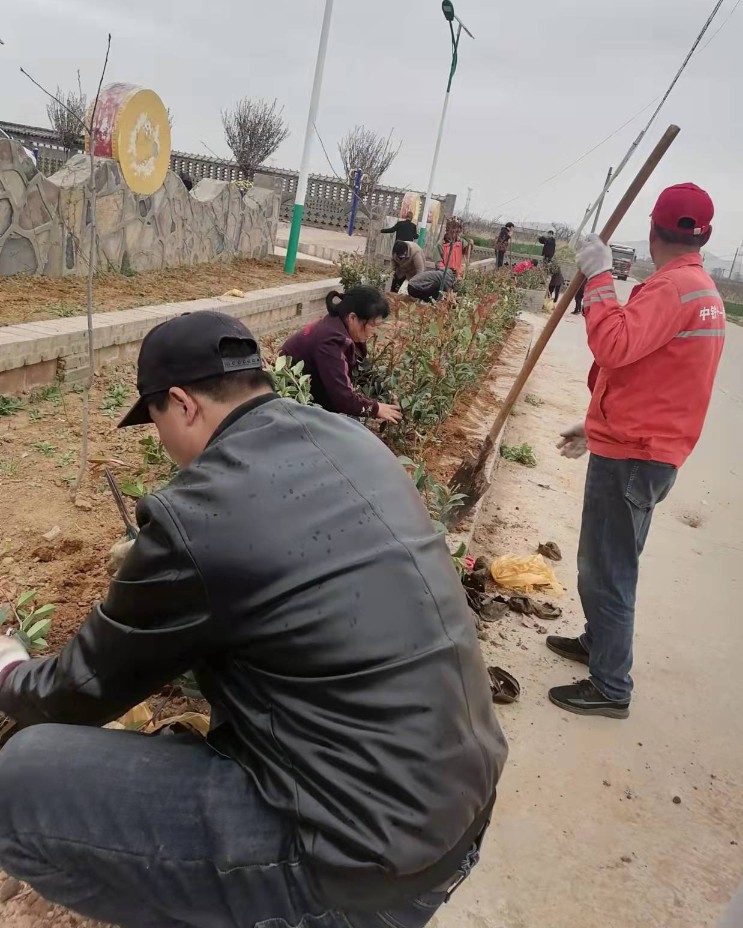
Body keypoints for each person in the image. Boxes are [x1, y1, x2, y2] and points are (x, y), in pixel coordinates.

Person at [0, 311, 508, 928]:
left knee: (21, 778)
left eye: (155, 422)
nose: (161, 445)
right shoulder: (352, 440)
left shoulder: (200, 512)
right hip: (453, 820)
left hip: (357, 871)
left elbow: (79, 693)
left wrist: (10, 670)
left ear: (183, 404)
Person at [547, 183, 724, 718]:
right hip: (643, 446)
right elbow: (655, 379)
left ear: (651, 232)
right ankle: (598, 642)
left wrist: (599, 276)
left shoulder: (675, 290)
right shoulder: (699, 292)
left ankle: (610, 686)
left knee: (608, 568)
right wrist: (594, 426)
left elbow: (614, 345)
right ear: (704, 236)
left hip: (635, 455)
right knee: (606, 561)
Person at [282, 287, 401, 423]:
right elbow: (343, 399)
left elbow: (358, 370)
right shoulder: (331, 341)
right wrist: (376, 409)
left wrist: (384, 391)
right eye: (373, 325)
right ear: (352, 318)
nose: (374, 331)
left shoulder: (340, 327)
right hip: (291, 404)